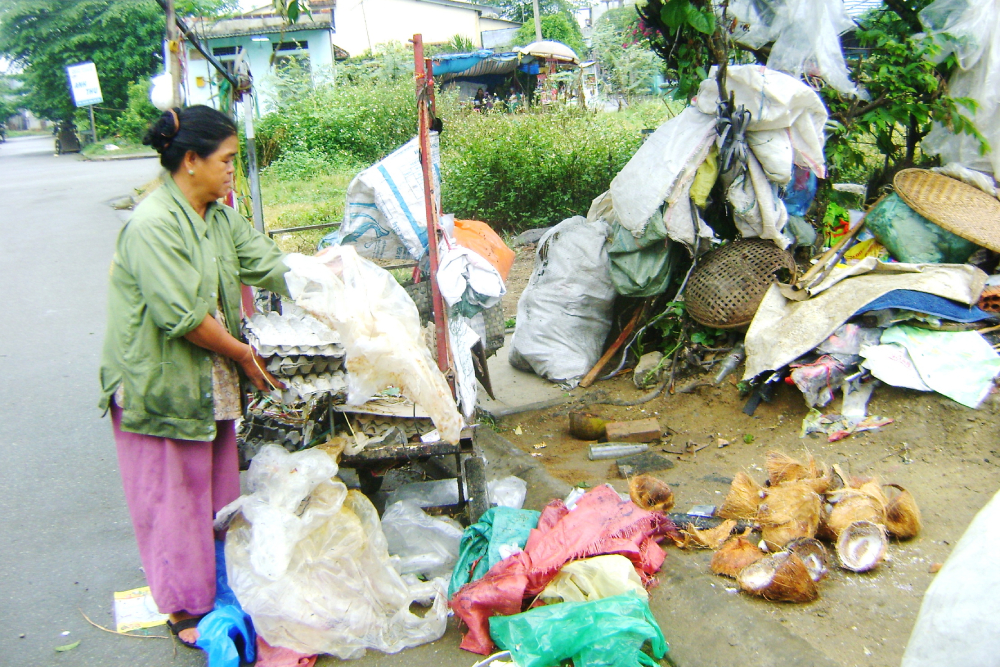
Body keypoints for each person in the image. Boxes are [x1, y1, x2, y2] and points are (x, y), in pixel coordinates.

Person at [98, 105, 288, 649]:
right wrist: (247, 358)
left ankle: (214, 586)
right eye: (226, 159)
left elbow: (269, 263)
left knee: (215, 493)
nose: (232, 169)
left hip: (208, 377)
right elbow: (181, 317)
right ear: (190, 160)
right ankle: (184, 607)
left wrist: (336, 280)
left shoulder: (220, 217)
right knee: (173, 500)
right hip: (160, 383)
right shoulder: (152, 224)